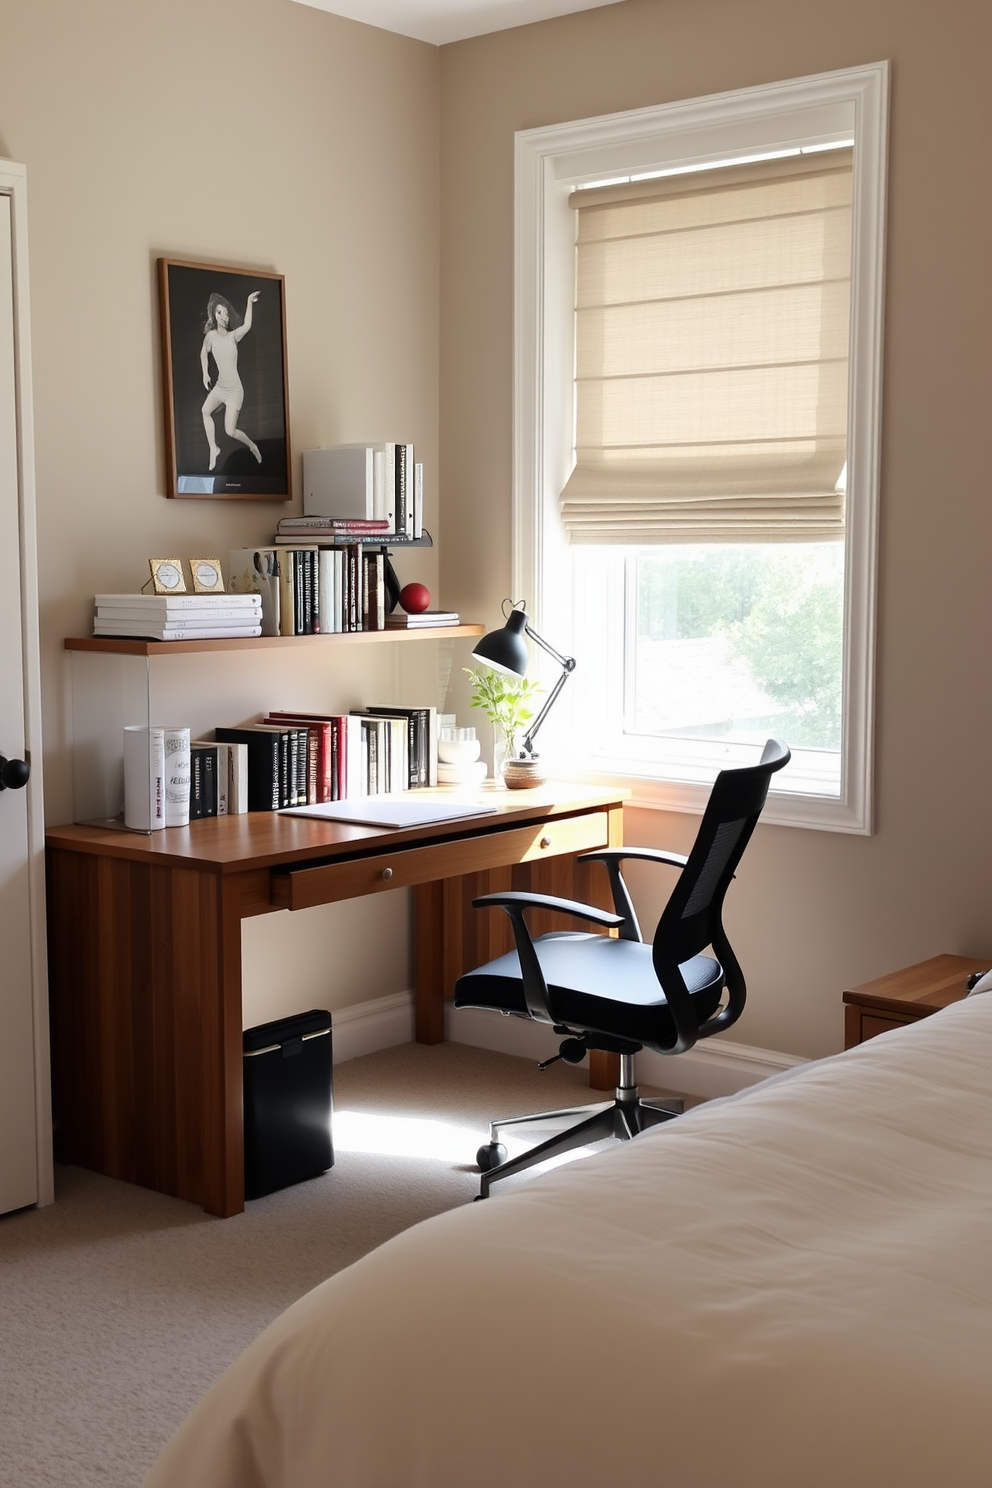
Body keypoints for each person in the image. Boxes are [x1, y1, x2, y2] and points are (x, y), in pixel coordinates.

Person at [200, 291, 262, 470]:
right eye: (220, 312)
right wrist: (205, 373)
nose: (223, 316)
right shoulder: (211, 336)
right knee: (205, 410)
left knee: (230, 431)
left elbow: (248, 325)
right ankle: (214, 449)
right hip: (220, 387)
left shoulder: (233, 336)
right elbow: (204, 352)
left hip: (235, 391)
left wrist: (249, 301)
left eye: (226, 313)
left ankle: (253, 446)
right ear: (214, 314)